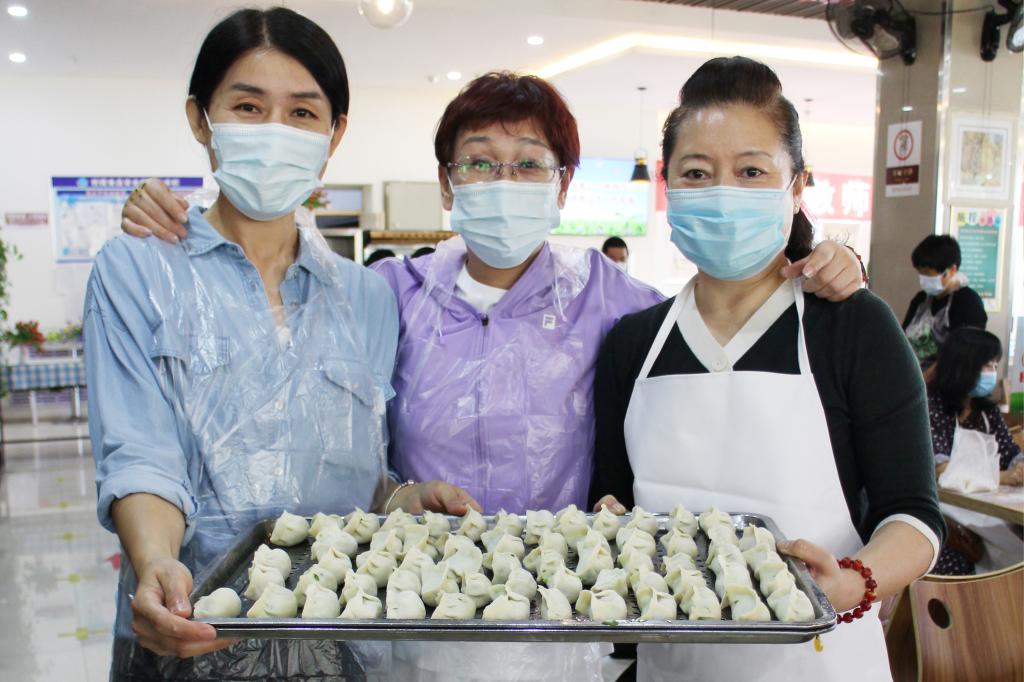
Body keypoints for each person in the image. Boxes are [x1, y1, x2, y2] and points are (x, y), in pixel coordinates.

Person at [119, 68, 865, 681]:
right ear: (448, 185)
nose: (503, 180)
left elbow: (722, 312)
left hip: (566, 625)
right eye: (479, 161)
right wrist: (189, 222)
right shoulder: (389, 297)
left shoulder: (619, 305)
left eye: (529, 163)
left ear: (562, 185)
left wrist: (827, 261)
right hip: (409, 619)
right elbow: (302, 385)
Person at [88, 9, 472, 679]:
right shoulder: (138, 271)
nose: (274, 131)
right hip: (193, 628)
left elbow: (353, 468)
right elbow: (141, 455)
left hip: (338, 632)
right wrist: (157, 563)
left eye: (301, 113)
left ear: (334, 133)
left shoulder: (366, 296)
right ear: (200, 119)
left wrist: (399, 500)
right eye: (247, 106)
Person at [590, 57, 944, 681]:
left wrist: (853, 581)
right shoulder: (633, 343)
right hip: (677, 667)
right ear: (669, 189)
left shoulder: (852, 328)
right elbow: (611, 497)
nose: (723, 192)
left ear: (797, 186)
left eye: (751, 171)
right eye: (697, 173)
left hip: (822, 660)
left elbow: (914, 517)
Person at [927, 327, 1023, 575]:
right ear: (964, 365)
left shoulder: (986, 412)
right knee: (964, 564)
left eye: (995, 365)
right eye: (987, 365)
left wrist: (1019, 466)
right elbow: (941, 470)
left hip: (986, 509)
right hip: (947, 514)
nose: (993, 372)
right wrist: (1001, 477)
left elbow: (1011, 452)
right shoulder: (930, 408)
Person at [903, 234, 987, 366]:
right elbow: (903, 338)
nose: (923, 279)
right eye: (920, 273)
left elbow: (966, 353)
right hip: (915, 373)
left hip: (950, 376)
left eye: (928, 273)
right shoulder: (921, 300)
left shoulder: (969, 303)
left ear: (952, 270)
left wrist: (929, 375)